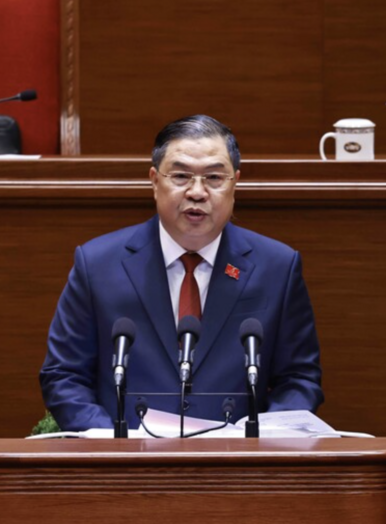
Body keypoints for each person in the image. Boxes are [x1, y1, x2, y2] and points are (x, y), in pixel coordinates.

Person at [40, 115, 323, 431]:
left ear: (235, 183)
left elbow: (299, 378)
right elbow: (64, 375)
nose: (197, 192)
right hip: (125, 466)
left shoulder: (277, 267)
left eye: (214, 177)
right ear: (154, 179)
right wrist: (110, 442)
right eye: (181, 176)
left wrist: (262, 439)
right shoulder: (97, 263)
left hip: (238, 465)